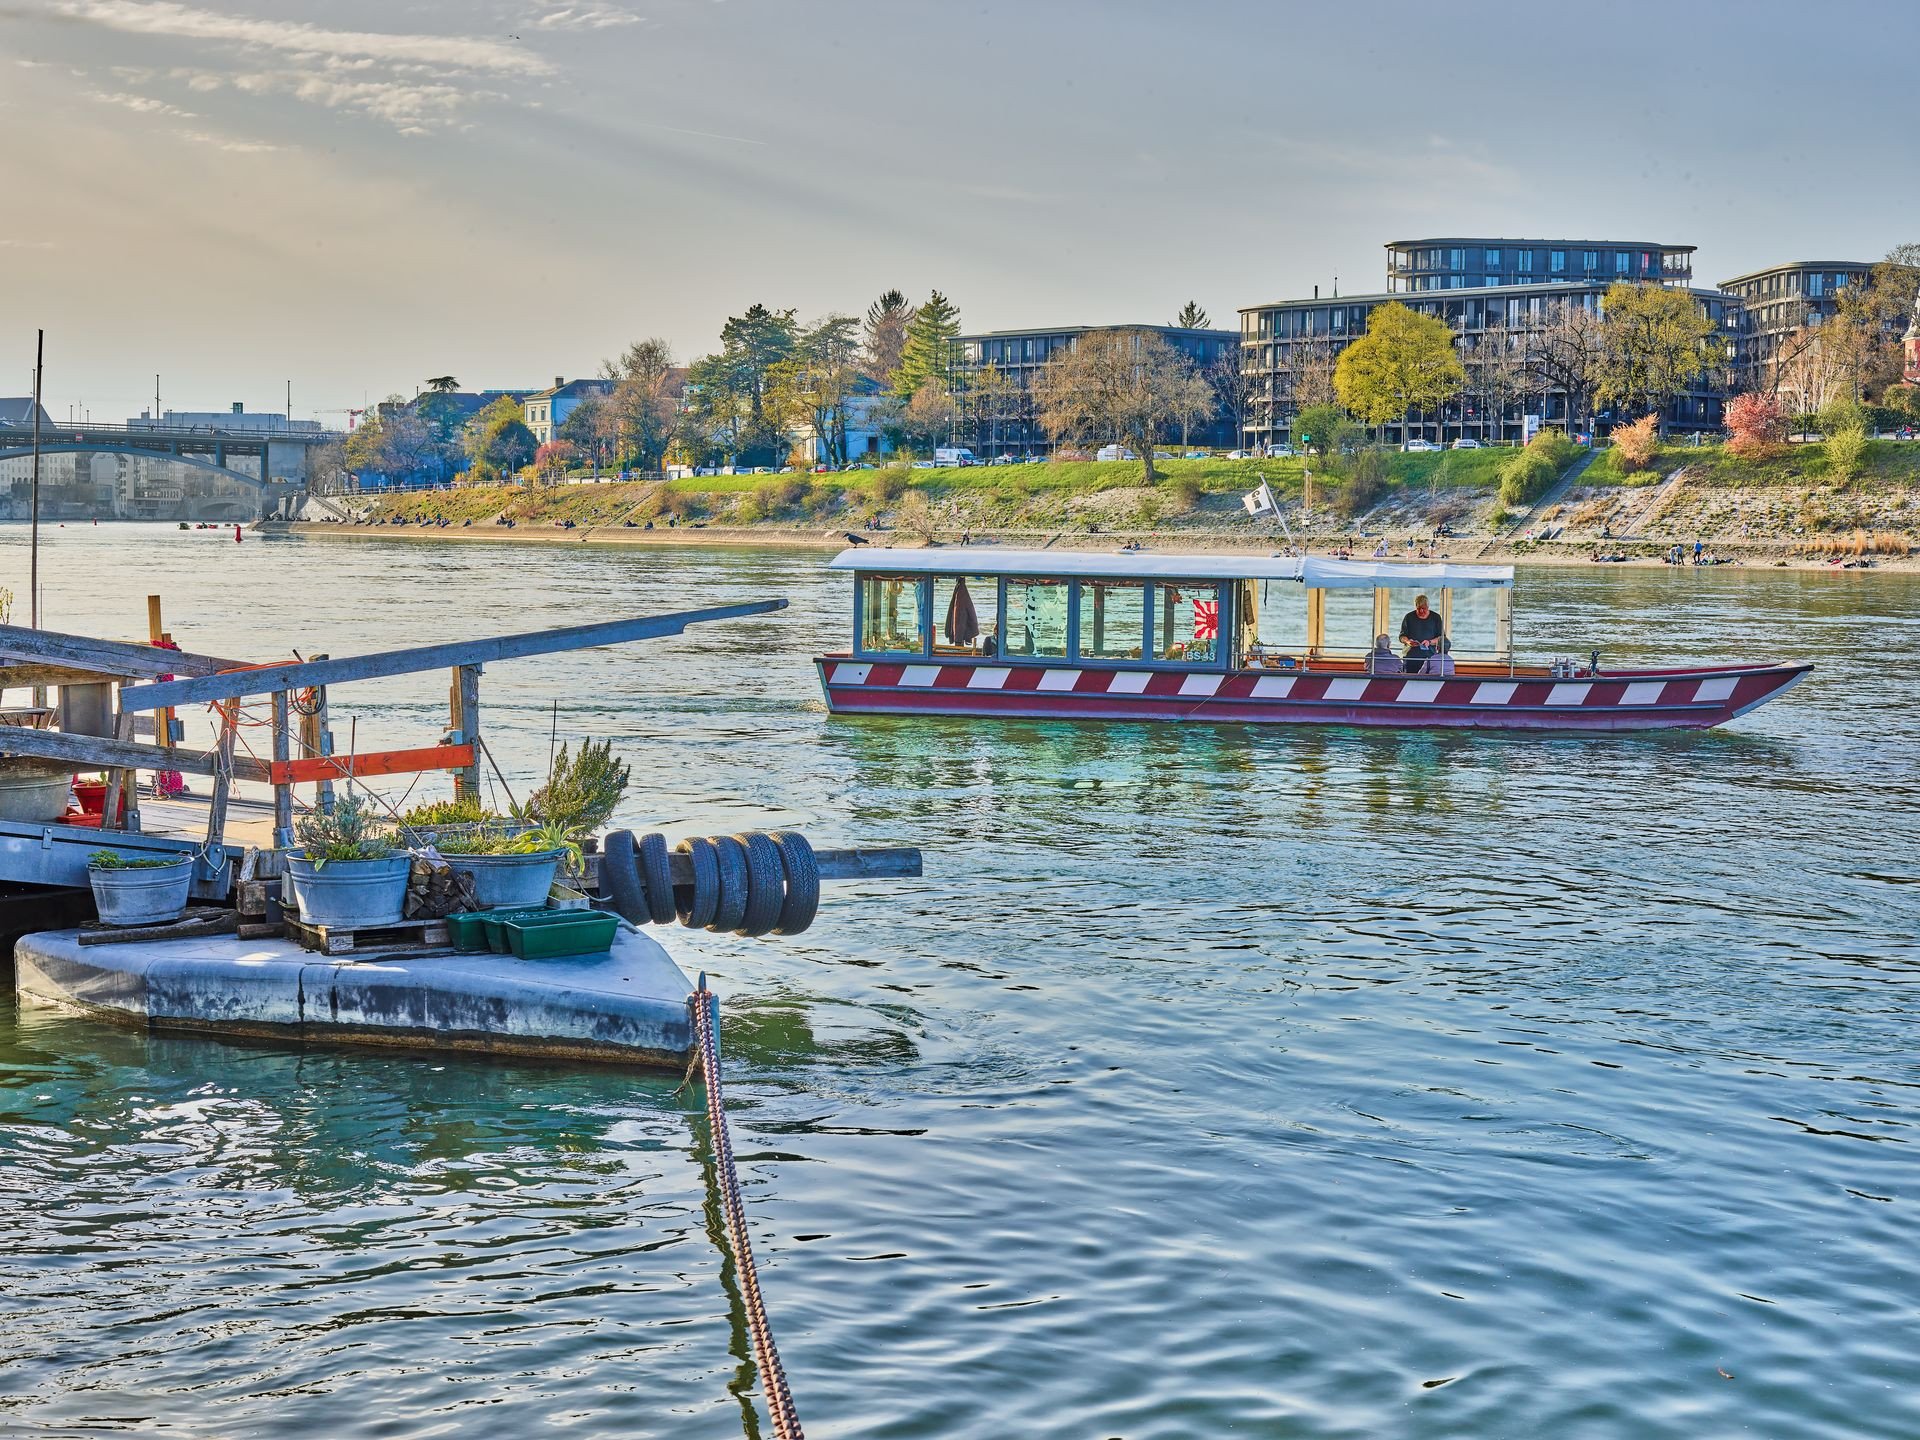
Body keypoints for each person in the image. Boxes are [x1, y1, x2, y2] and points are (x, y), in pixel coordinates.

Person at [1399, 594, 1444, 672]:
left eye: (1424, 608)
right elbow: (1402, 636)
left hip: (1429, 657)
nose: (1421, 611)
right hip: (1411, 657)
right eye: (1418, 608)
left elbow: (1441, 638)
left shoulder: (1436, 618)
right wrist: (1408, 641)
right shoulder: (1409, 617)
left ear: (1428, 607)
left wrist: (1429, 642)